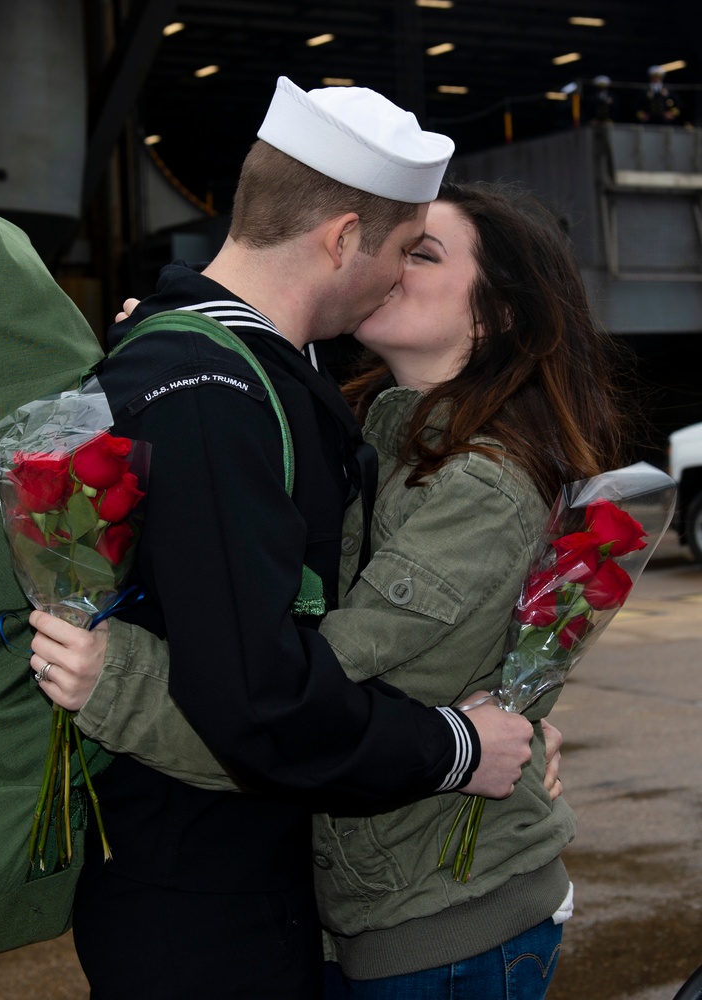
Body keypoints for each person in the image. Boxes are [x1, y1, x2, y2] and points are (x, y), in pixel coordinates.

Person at [32, 177, 626, 998]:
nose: (391, 263)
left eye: (422, 252)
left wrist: (116, 682)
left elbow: (299, 705)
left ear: (496, 316)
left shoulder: (475, 488)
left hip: (440, 930)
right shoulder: (374, 436)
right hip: (383, 914)